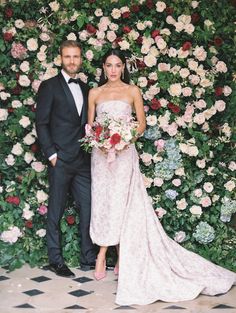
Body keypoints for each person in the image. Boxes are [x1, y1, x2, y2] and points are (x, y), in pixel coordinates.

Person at [88, 49, 236, 305]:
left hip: (124, 155)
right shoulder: (95, 93)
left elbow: (141, 124)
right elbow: (90, 127)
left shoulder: (132, 91)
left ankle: (123, 257)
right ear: (103, 67)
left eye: (118, 65)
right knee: (103, 203)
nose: (113, 70)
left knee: (124, 204)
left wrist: (125, 140)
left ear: (123, 67)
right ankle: (102, 254)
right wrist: (100, 142)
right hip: (101, 157)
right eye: (109, 65)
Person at [36, 40, 96, 278]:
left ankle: (87, 257)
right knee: (56, 210)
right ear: (61, 59)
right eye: (68, 56)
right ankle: (55, 259)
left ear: (81, 59)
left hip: (83, 161)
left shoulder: (85, 88)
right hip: (60, 160)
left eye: (76, 56)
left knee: (89, 209)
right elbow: (41, 123)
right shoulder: (49, 86)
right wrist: (51, 154)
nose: (72, 61)